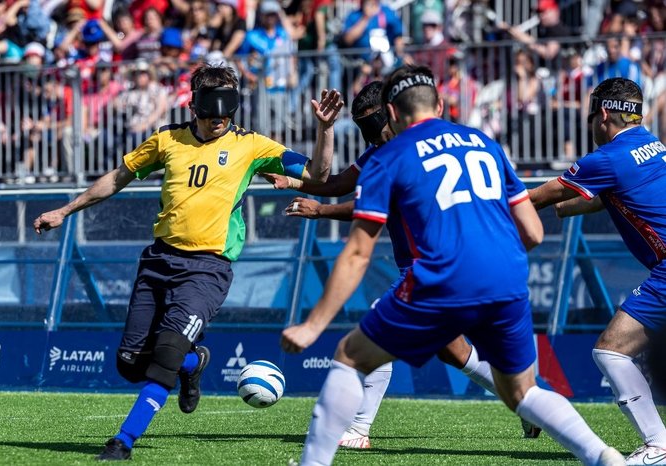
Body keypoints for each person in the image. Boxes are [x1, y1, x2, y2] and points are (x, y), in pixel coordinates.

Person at [280, 64, 625, 466]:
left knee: (351, 354)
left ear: (391, 113)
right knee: (522, 392)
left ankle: (331, 449)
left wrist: (312, 324)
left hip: (439, 275)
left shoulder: (389, 156)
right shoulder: (484, 142)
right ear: (441, 105)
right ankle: (605, 457)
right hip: (506, 273)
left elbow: (357, 253)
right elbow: (531, 231)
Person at [32, 64, 343, 461]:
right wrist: (66, 210)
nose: (219, 122)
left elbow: (318, 173)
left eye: (226, 114)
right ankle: (194, 362)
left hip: (208, 269)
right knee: (130, 363)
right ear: (193, 105)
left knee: (165, 356)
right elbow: (117, 177)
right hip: (159, 260)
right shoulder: (167, 140)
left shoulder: (251, 146)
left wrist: (325, 129)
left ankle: (122, 442)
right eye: (211, 114)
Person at [266, 79, 541, 447]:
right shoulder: (396, 147)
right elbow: (339, 183)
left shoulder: (404, 151)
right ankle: (531, 406)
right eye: (364, 126)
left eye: (374, 122)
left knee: (373, 333)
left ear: (393, 112)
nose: (372, 135)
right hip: (470, 265)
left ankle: (359, 427)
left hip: (435, 265)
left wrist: (321, 211)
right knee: (452, 349)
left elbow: (369, 206)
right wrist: (296, 181)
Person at [529, 77, 666, 466]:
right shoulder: (653, 147)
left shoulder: (606, 158)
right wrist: (563, 207)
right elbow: (602, 197)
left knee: (611, 350)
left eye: (591, 117)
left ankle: (658, 445)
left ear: (603, 114)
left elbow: (539, 197)